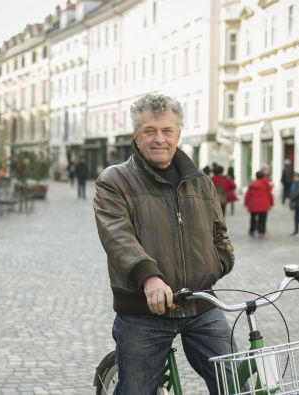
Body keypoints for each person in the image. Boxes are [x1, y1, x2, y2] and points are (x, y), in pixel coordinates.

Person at [93, 93, 235, 395]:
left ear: (178, 133)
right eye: (150, 130)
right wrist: (150, 278)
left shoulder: (200, 181)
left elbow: (219, 235)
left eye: (167, 130)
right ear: (136, 134)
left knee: (236, 384)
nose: (160, 139)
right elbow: (118, 237)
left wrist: (218, 264)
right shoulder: (115, 181)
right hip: (143, 311)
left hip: (200, 305)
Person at [244, 171, 274, 239]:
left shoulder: (252, 184)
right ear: (263, 176)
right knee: (262, 218)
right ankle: (261, 231)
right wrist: (271, 203)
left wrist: (246, 203)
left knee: (253, 217)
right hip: (263, 204)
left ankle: (252, 230)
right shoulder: (266, 184)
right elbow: (269, 194)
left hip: (253, 204)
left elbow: (248, 194)